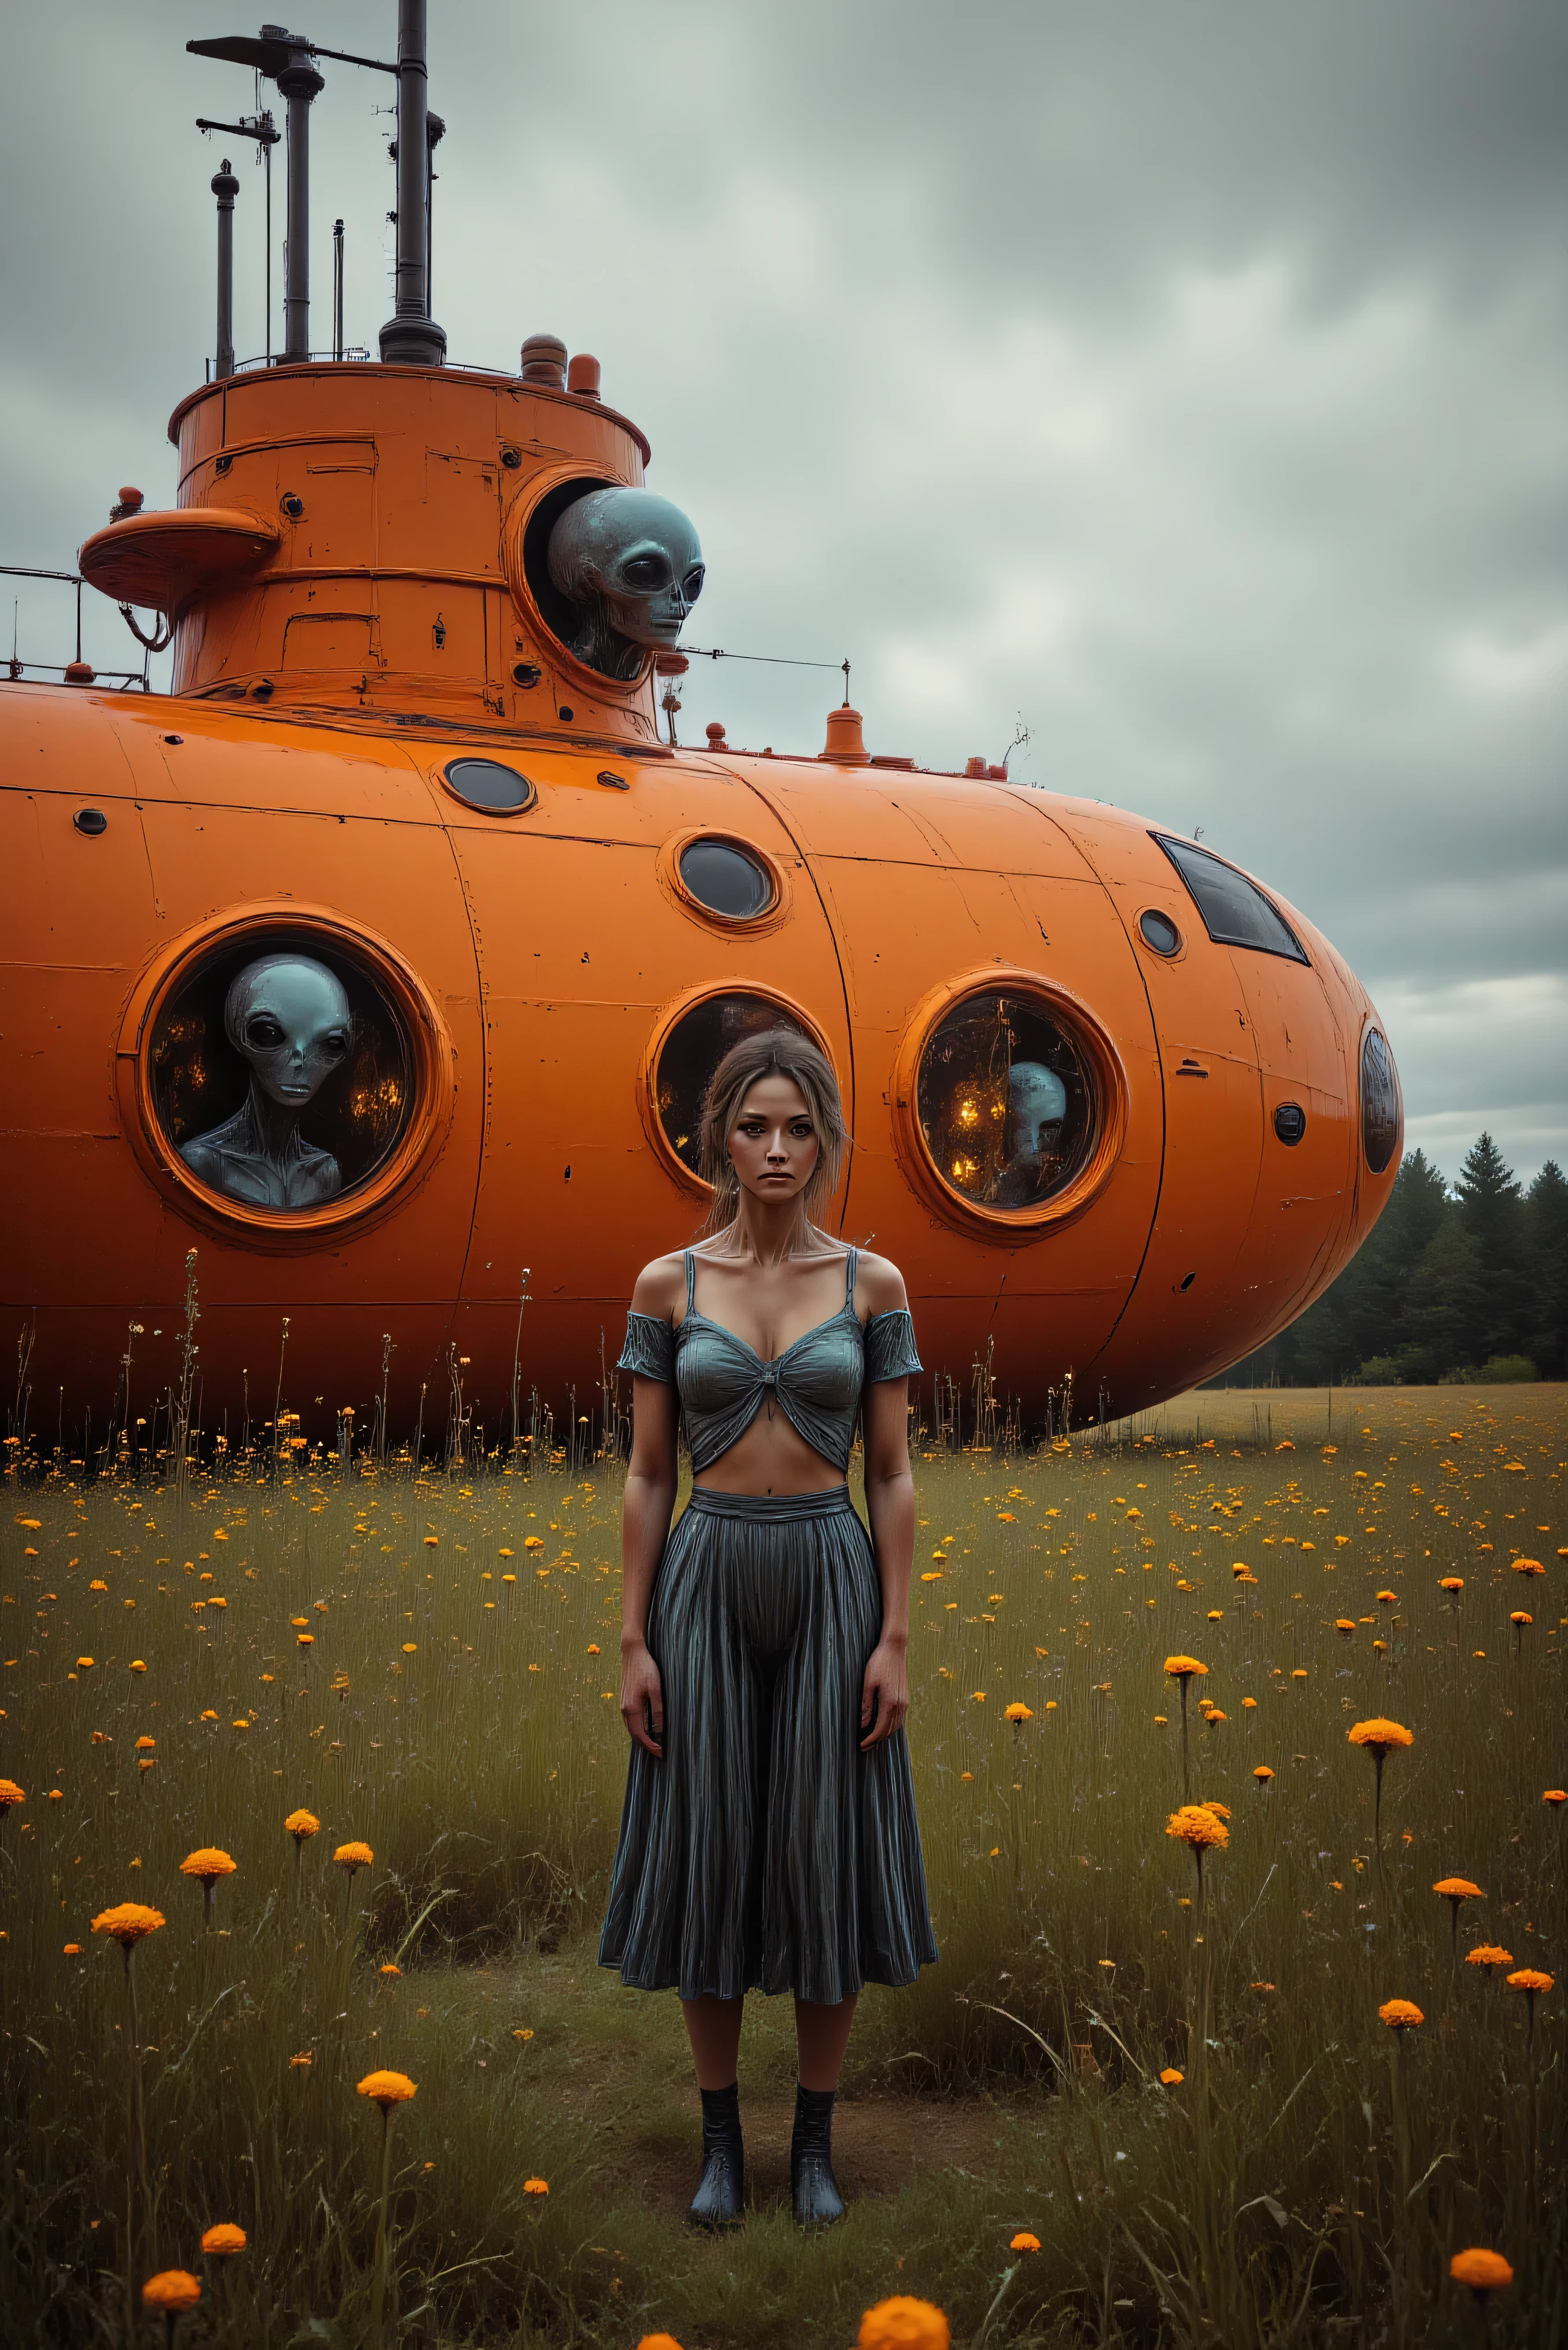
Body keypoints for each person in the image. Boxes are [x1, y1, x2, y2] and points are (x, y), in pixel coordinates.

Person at [599, 1027, 938, 2232]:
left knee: (821, 1850)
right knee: (712, 1845)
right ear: (721, 1138)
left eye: (800, 1127)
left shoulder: (873, 1284)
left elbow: (893, 1473)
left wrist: (896, 1637)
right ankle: (719, 2142)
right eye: (756, 1126)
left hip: (833, 1574)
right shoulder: (668, 1284)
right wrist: (631, 1637)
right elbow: (647, 1474)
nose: (778, 1148)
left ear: (828, 1137)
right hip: (704, 1571)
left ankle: (811, 2144)